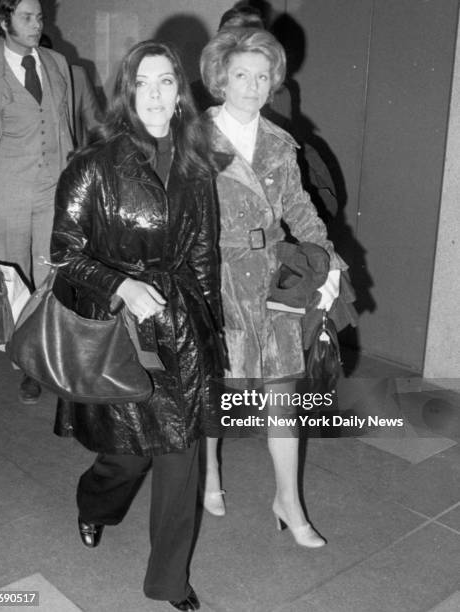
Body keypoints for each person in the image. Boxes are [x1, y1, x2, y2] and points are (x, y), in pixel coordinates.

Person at [51, 41, 223, 611]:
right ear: (128, 94)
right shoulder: (92, 166)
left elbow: (203, 257)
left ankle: (168, 582)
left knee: (180, 454)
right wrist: (121, 285)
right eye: (143, 83)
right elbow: (63, 254)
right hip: (121, 328)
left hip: (181, 330)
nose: (155, 94)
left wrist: (212, 332)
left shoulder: (197, 168)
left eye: (166, 82)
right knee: (127, 453)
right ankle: (95, 505)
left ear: (180, 94)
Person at [200, 28, 346, 545]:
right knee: (219, 386)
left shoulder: (280, 141)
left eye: (263, 76)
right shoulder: (195, 139)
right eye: (242, 74)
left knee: (284, 387)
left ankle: (288, 500)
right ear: (221, 78)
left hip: (274, 276)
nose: (253, 85)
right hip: (215, 275)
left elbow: (301, 208)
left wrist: (325, 257)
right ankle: (210, 471)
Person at [0, 0, 74, 404]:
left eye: (40, 17)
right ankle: (24, 363)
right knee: (12, 276)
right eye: (27, 17)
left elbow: (65, 125)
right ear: (4, 21)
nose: (37, 24)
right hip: (4, 188)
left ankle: (48, 353)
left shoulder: (56, 62)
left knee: (52, 271)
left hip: (52, 185)